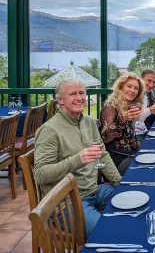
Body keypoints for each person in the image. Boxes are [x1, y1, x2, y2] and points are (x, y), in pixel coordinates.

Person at [34, 78, 122, 236]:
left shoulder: (88, 122)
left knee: (133, 202)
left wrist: (119, 183)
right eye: (73, 94)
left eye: (82, 93)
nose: (79, 97)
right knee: (107, 233)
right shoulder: (50, 130)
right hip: (65, 202)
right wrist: (78, 159)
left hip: (95, 191)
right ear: (60, 100)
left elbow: (103, 155)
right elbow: (40, 175)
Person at [99, 72, 145, 175]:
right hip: (114, 160)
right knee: (145, 169)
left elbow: (129, 137)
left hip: (128, 154)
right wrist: (122, 120)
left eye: (136, 88)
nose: (132, 91)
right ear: (121, 87)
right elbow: (105, 137)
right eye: (129, 86)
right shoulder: (110, 106)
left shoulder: (128, 107)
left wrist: (145, 148)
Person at [136, 69, 155, 134]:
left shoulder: (144, 94)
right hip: (135, 134)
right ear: (140, 79)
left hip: (143, 130)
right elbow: (135, 117)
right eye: (149, 80)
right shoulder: (134, 94)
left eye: (153, 82)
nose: (151, 85)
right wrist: (150, 110)